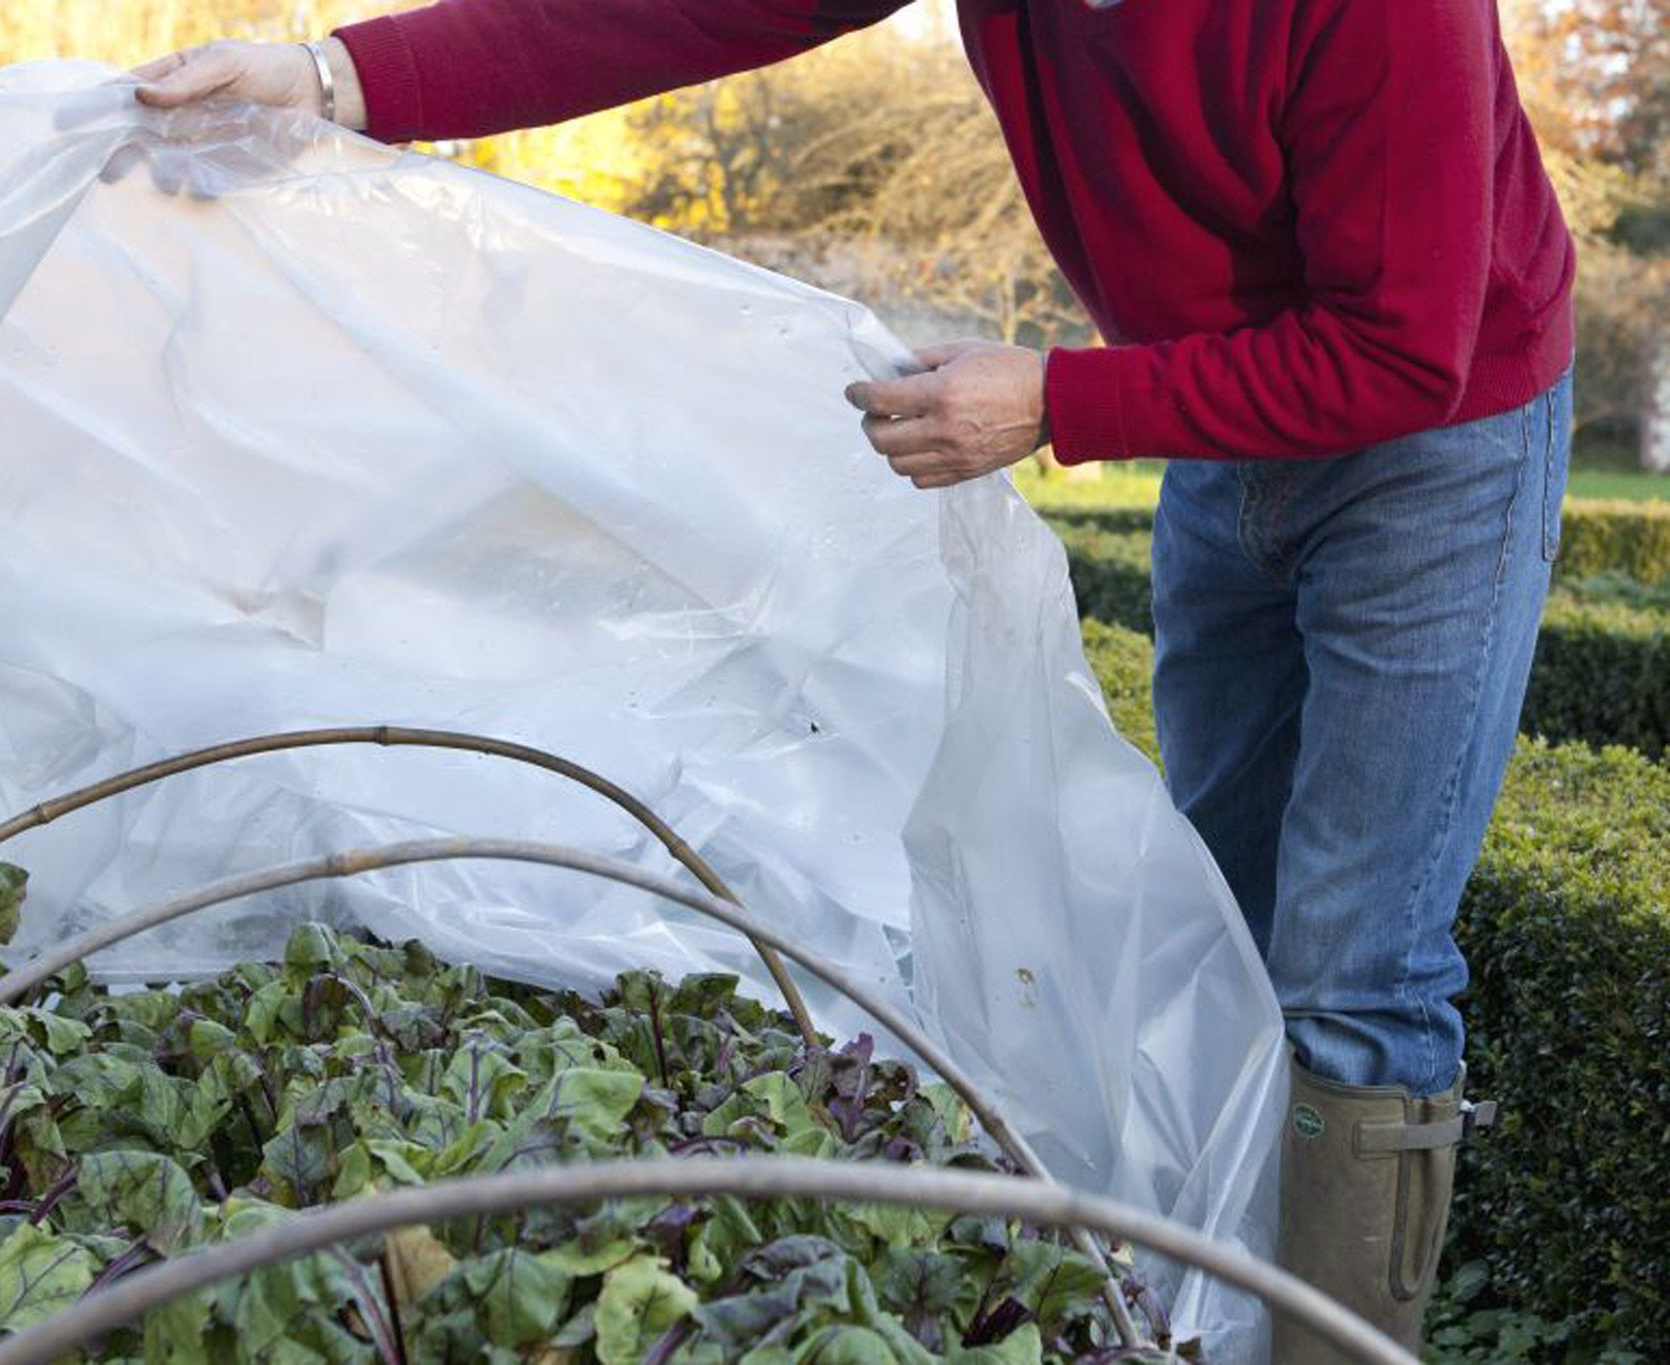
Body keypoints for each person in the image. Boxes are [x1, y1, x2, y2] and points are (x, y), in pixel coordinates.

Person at [131, 3, 1574, 1354]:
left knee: (1351, 974)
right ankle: (1201, 1319)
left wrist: (1063, 399)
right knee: (1223, 927)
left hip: (1432, 455)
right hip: (1224, 419)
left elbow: (1405, 348)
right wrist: (340, 76)